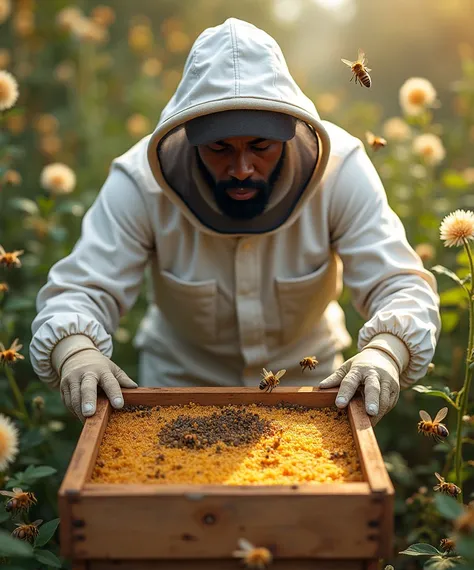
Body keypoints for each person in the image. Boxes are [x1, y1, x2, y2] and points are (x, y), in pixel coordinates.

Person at [29, 18, 441, 425]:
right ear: (187, 138)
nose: (242, 169)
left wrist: (385, 351)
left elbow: (399, 284)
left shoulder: (342, 172)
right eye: (219, 148)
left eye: (261, 146)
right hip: (178, 393)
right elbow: (80, 289)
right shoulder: (138, 184)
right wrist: (77, 351)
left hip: (312, 392)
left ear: (289, 132)